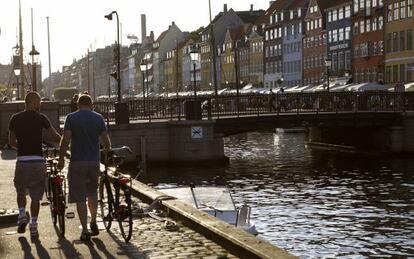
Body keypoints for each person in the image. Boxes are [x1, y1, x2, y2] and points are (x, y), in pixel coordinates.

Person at [58, 94, 111, 241]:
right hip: (94, 161)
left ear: (78, 105)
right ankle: (94, 220)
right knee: (92, 192)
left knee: (80, 196)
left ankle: (85, 230)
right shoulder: (98, 118)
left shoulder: (71, 118)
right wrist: (106, 153)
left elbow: (65, 141)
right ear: (91, 104)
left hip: (77, 162)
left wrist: (61, 158)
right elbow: (106, 142)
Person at [8, 91, 61, 238]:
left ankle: (22, 215)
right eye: (39, 103)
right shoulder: (41, 118)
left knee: (20, 191)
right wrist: (66, 144)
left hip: (22, 161)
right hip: (38, 161)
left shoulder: (14, 118)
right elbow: (55, 136)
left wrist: (23, 147)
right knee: (36, 197)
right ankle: (33, 225)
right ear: (35, 102)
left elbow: (11, 142)